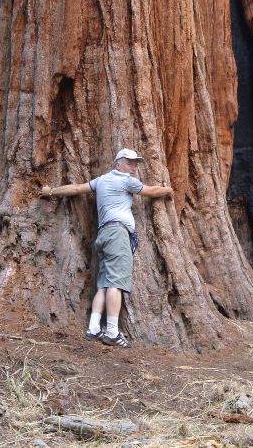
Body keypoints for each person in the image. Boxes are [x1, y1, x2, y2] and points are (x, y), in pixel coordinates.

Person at [40, 147, 173, 349]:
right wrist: (169, 190)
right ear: (118, 164)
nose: (134, 166)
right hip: (118, 235)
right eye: (130, 162)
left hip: (104, 235)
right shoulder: (126, 180)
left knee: (104, 283)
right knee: (116, 284)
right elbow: (152, 192)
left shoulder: (101, 180)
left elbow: (76, 189)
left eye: (136, 163)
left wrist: (50, 192)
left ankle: (93, 327)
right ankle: (111, 331)